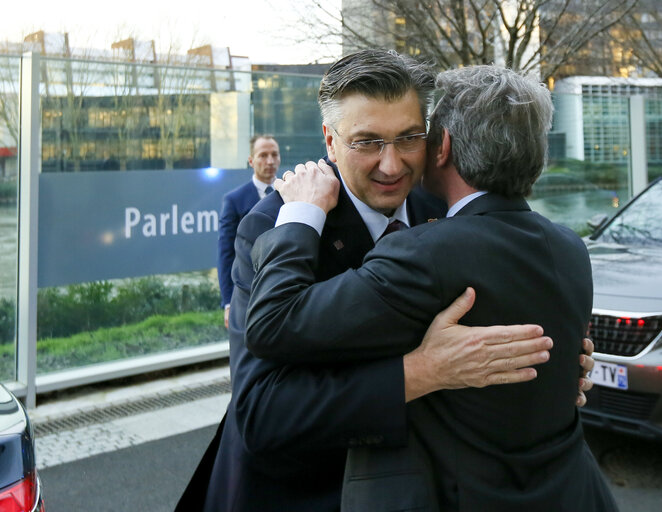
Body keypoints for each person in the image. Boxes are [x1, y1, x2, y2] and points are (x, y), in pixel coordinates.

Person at [179, 50, 593, 512]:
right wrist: (421, 373)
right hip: (307, 492)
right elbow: (263, 413)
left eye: (408, 138)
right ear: (330, 142)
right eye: (367, 142)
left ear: (436, 140)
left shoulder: (446, 208)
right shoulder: (275, 226)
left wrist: (553, 368)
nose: (392, 165)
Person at [216, 134, 279, 328]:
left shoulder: (291, 191)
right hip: (248, 291)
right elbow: (226, 253)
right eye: (263, 155)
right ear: (251, 161)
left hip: (284, 285)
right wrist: (228, 302)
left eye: (274, 154)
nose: (270, 161)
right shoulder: (234, 200)